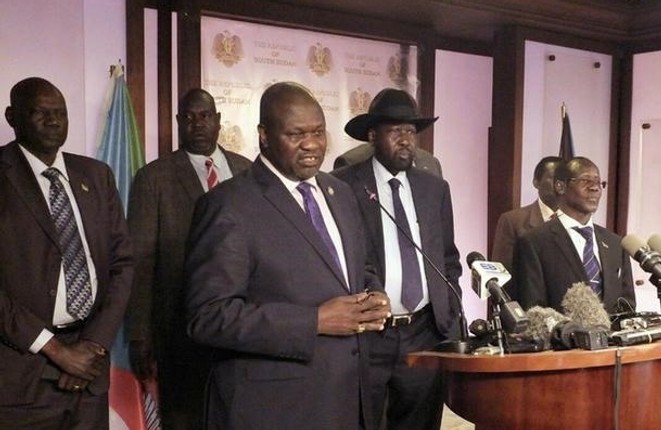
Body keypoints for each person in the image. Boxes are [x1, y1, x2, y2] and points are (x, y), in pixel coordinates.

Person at [184, 82, 391, 430]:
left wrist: (374, 295)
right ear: (264, 135)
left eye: (318, 132)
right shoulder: (228, 205)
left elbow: (360, 268)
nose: (311, 145)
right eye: (296, 134)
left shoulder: (340, 192)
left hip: (348, 402)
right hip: (275, 411)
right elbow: (208, 316)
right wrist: (314, 321)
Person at [0, 77, 133, 429]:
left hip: (89, 369)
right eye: (40, 113)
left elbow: (122, 264)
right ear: (12, 117)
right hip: (19, 376)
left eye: (60, 112)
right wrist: (57, 352)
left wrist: (92, 346)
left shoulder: (96, 175)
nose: (53, 121)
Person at [332, 88, 462, 430]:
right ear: (373, 136)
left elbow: (448, 256)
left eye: (411, 132)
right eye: (395, 131)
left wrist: (450, 308)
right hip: (369, 331)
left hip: (423, 331)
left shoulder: (434, 188)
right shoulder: (343, 185)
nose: (406, 140)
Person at [125, 88, 251, 430]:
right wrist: (138, 335)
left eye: (205, 116)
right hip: (179, 331)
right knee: (185, 419)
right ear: (179, 123)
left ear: (218, 121)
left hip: (243, 327)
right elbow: (140, 260)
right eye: (189, 117)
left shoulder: (247, 171)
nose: (197, 124)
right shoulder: (154, 178)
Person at [510, 156, 635, 314]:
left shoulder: (615, 243)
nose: (595, 188)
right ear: (560, 186)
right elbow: (533, 309)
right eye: (586, 181)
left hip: (612, 338)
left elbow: (627, 306)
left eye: (598, 183)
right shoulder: (534, 242)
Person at [491, 155, 562, 271]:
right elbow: (502, 272)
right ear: (536, 182)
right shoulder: (512, 221)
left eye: (563, 179)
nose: (559, 184)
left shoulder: (575, 221)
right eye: (553, 178)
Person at [333, 142, 443, 178]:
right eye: (395, 130)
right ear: (373, 135)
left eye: (409, 131)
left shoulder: (430, 163)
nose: (404, 141)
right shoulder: (352, 162)